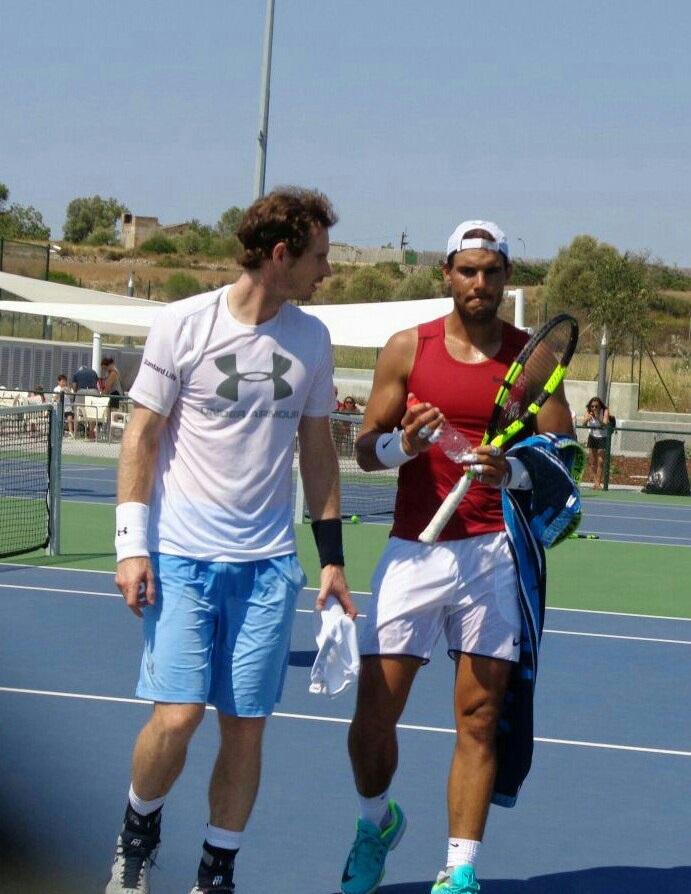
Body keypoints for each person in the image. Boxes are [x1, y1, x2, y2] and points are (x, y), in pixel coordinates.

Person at [105, 186, 356, 894]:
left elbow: (317, 450)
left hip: (268, 566)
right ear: (279, 256)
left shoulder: (310, 338)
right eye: (317, 257)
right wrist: (132, 545)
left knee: (245, 726)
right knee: (179, 717)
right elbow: (142, 436)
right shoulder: (182, 324)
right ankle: (137, 832)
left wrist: (331, 559)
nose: (325, 271)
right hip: (181, 557)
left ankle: (216, 871)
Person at [339, 221, 578, 894]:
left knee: (477, 718)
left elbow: (563, 459)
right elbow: (364, 447)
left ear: (506, 277)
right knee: (371, 722)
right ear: (445, 273)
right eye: (467, 270)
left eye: (491, 271)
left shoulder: (528, 361)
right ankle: (374, 823)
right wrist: (402, 448)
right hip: (413, 552)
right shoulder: (405, 351)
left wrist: (516, 472)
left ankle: (459, 870)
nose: (479, 283)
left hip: (495, 555)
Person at [582, 396, 610, 488]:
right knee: (592, 461)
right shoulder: (588, 411)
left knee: (601, 461)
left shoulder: (604, 411)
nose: (594, 408)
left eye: (596, 406)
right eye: (592, 406)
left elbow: (605, 424)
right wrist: (587, 419)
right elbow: (583, 424)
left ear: (600, 406)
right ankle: (596, 482)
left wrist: (597, 417)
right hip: (592, 437)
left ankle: (598, 482)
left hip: (602, 437)